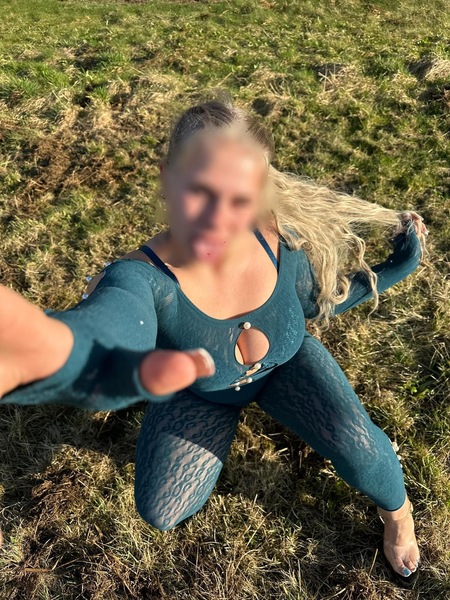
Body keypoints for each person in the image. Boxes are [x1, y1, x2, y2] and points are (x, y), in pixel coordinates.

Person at [0, 95, 430, 588]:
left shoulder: (280, 239)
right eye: (200, 190)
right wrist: (61, 350)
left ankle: (400, 517)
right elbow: (112, 325)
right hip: (201, 392)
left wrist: (399, 265)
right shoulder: (142, 278)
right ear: (168, 178)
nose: (218, 219)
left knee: (362, 450)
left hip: (287, 368)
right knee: (163, 509)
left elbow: (318, 303)